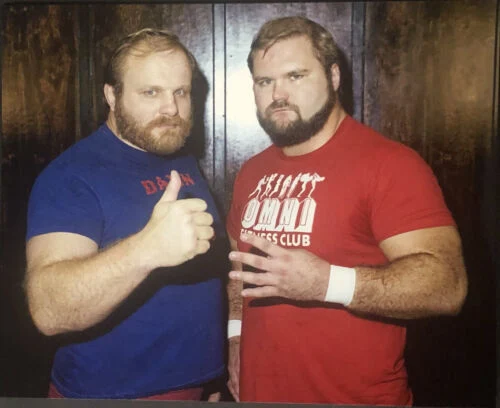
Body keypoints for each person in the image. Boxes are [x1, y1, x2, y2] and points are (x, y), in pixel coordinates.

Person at [226, 16, 468, 406]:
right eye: (264, 81)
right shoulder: (251, 172)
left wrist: (327, 283)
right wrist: (236, 339)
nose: (278, 94)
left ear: (334, 76)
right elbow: (239, 269)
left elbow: (447, 285)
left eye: (296, 76)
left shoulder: (390, 165)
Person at [24, 28, 225, 400]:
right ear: (111, 96)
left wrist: (211, 378)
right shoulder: (70, 175)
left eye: (181, 92)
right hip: (110, 395)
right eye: (151, 92)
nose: (171, 109)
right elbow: (48, 310)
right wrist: (147, 249)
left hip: (197, 385)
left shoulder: (177, 154)